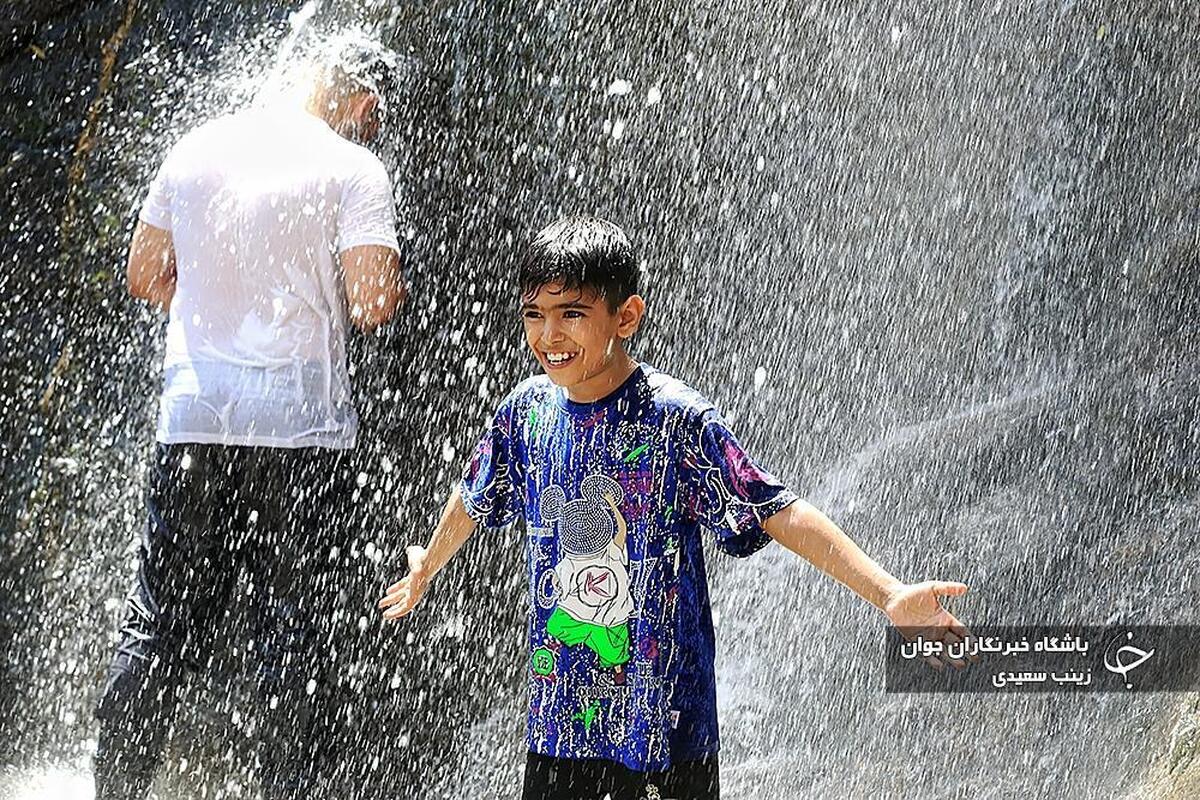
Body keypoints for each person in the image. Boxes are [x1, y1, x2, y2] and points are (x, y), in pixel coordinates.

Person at [378, 217, 972, 800]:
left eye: (572, 315)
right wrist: (426, 566)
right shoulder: (527, 412)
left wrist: (888, 593)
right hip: (559, 720)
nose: (548, 335)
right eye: (534, 315)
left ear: (626, 317)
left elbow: (776, 510)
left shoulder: (674, 422)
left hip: (661, 728)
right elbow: (477, 491)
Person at [94, 37, 407, 800]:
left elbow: (143, 274)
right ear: (363, 104)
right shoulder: (354, 168)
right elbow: (371, 305)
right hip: (299, 433)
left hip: (196, 417)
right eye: (377, 116)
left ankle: (115, 789)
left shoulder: (199, 145)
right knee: (290, 635)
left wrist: (216, 310)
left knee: (159, 625)